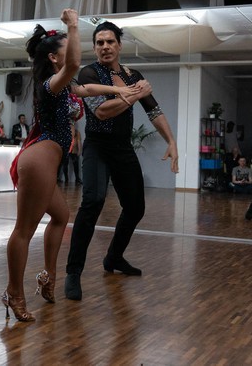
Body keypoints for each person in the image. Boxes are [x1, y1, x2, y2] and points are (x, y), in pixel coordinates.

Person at [2, 9, 138, 322]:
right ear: (53, 58)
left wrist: (119, 89)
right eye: (67, 47)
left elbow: (86, 89)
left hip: (48, 162)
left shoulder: (65, 85)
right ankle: (14, 292)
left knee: (61, 216)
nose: (76, 52)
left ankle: (48, 277)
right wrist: (74, 26)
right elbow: (75, 64)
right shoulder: (51, 84)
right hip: (40, 159)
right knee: (24, 230)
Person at [64, 21, 178, 302]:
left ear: (119, 45)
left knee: (135, 207)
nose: (105, 47)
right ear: (94, 47)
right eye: (99, 42)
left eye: (110, 41)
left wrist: (171, 141)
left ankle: (114, 257)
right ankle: (73, 272)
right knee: (92, 202)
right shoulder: (89, 73)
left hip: (123, 148)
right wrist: (134, 93)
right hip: (98, 147)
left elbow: (154, 110)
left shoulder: (132, 75)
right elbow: (102, 112)